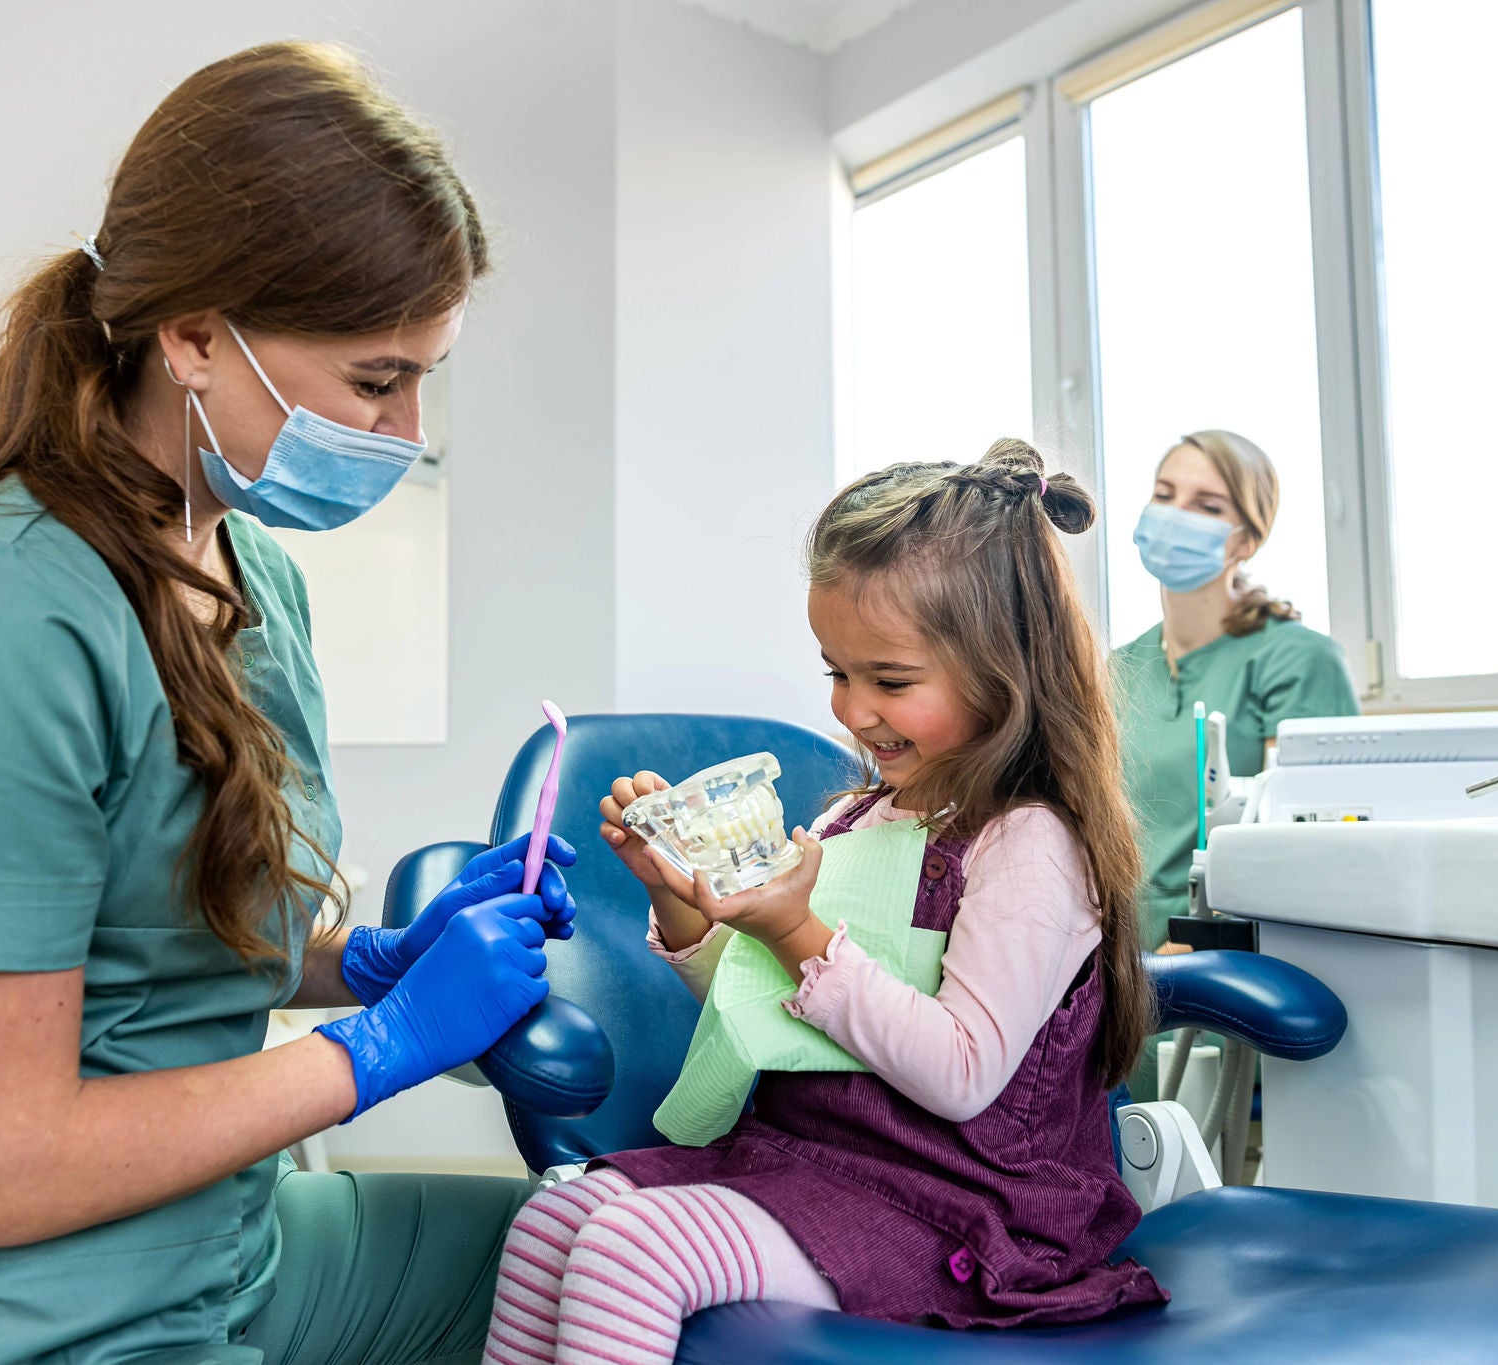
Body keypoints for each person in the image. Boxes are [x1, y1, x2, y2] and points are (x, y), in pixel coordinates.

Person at [0, 42, 576, 1365]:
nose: (410, 432)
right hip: (5, 1318)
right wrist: (384, 1045)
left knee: (599, 1258)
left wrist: (363, 959)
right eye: (374, 380)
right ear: (191, 334)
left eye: (427, 378)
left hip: (230, 1248)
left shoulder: (257, 581)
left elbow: (153, 941)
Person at [480, 441, 1166, 1365]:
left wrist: (796, 929)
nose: (851, 710)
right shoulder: (857, 816)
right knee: (554, 1216)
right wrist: (677, 898)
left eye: (890, 680)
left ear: (1008, 671)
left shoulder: (1030, 843)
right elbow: (768, 1008)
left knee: (631, 1252)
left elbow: (962, 1072)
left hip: (966, 1208)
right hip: (817, 1162)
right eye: (836, 673)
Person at [1112, 431, 1359, 954]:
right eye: (1164, 494)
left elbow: (1319, 843)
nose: (1177, 514)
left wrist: (1206, 934)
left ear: (1245, 541)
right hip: (1113, 955)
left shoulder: (1297, 660)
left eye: (1207, 505)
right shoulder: (1118, 670)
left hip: (1234, 958)